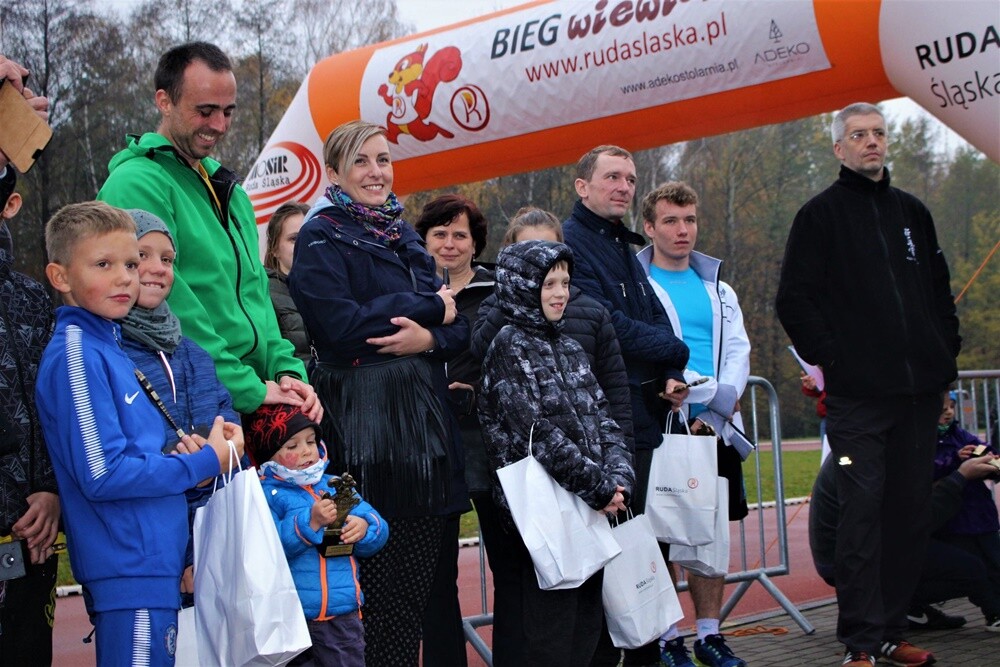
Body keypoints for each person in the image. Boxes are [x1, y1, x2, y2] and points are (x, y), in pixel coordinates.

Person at [776, 102, 961, 667]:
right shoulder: (819, 215)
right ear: (839, 148)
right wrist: (837, 361)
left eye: (878, 133)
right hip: (858, 400)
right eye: (858, 135)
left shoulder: (912, 212)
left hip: (918, 396)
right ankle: (859, 641)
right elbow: (793, 300)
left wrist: (944, 354)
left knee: (908, 514)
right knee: (861, 514)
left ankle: (890, 632)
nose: (871, 142)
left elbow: (938, 292)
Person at [288, 120, 470, 667]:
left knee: (410, 594)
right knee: (357, 585)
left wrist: (428, 337)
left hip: (424, 436)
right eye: (362, 161)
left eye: (383, 159)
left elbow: (457, 323)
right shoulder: (320, 236)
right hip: (356, 433)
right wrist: (429, 308)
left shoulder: (402, 232)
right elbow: (340, 325)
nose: (376, 172)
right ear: (335, 171)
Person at [34, 201, 243, 666]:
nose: (125, 278)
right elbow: (103, 473)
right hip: (129, 569)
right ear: (60, 276)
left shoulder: (106, 346)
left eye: (131, 264)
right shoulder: (77, 355)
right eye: (103, 265)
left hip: (150, 565)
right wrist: (204, 461)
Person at [96, 42, 320, 421]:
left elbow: (257, 294)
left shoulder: (232, 193)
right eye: (205, 111)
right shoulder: (135, 183)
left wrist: (287, 371)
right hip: (189, 400)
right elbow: (171, 305)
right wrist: (246, 387)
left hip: (252, 391)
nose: (219, 125)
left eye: (228, 111)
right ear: (164, 101)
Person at [478, 239, 634, 667]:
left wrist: (620, 480)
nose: (561, 293)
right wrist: (599, 487)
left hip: (588, 506)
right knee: (551, 634)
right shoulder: (509, 346)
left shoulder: (568, 345)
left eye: (565, 283)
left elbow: (602, 417)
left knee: (586, 627)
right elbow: (536, 433)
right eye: (549, 284)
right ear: (523, 286)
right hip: (544, 513)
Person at [561, 145, 688, 666]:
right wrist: (675, 349)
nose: (624, 187)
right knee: (615, 549)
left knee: (646, 547)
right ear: (582, 186)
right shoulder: (573, 244)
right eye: (612, 176)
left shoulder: (622, 245)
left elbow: (654, 317)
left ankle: (646, 655)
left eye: (631, 179)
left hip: (643, 416)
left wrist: (672, 368)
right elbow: (608, 323)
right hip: (606, 423)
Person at [636, 181, 750, 667]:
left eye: (689, 220)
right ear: (649, 227)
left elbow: (738, 352)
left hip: (715, 426)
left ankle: (709, 635)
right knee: (659, 533)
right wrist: (688, 402)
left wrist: (715, 409)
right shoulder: (638, 286)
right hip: (662, 423)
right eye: (670, 221)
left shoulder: (719, 289)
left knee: (710, 532)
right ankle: (668, 638)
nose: (682, 230)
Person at [117, 209, 243, 608]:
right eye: (142, 256)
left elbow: (229, 434)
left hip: (213, 548)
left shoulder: (195, 354)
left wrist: (229, 447)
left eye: (168, 259)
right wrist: (187, 554)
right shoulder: (109, 355)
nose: (158, 268)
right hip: (149, 555)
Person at [244, 403, 389, 667]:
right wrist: (309, 523)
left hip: (342, 612)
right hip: (290, 618)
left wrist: (364, 528)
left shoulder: (337, 485)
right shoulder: (264, 494)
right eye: (292, 445)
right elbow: (270, 549)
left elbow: (378, 527)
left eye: (311, 441)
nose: (306, 451)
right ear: (269, 456)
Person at [413, 193, 491, 667]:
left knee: (511, 565)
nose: (449, 243)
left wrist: (477, 391)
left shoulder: (496, 293)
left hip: (488, 445)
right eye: (439, 233)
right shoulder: (407, 292)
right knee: (436, 574)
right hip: (430, 447)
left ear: (475, 243)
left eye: (459, 234)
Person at [810, 448, 1000, 632]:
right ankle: (894, 608)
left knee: (968, 547)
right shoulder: (879, 456)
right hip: (855, 560)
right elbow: (916, 522)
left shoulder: (866, 446)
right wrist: (960, 476)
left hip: (854, 551)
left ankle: (908, 610)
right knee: (971, 568)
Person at [0, 161, 60, 666]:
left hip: (30, 526)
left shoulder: (32, 299)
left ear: (10, 204)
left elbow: (55, 407)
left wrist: (51, 490)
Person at [931, 392, 1000, 631]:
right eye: (943, 409)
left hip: (981, 515)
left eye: (951, 407)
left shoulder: (960, 435)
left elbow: (986, 451)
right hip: (956, 520)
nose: (949, 412)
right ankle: (993, 612)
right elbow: (930, 469)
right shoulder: (925, 441)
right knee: (976, 569)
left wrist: (992, 462)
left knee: (995, 562)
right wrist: (955, 461)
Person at [264, 201, 312, 366]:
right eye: (294, 238)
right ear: (274, 249)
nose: (304, 243)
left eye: (311, 235)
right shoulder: (263, 293)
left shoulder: (338, 286)